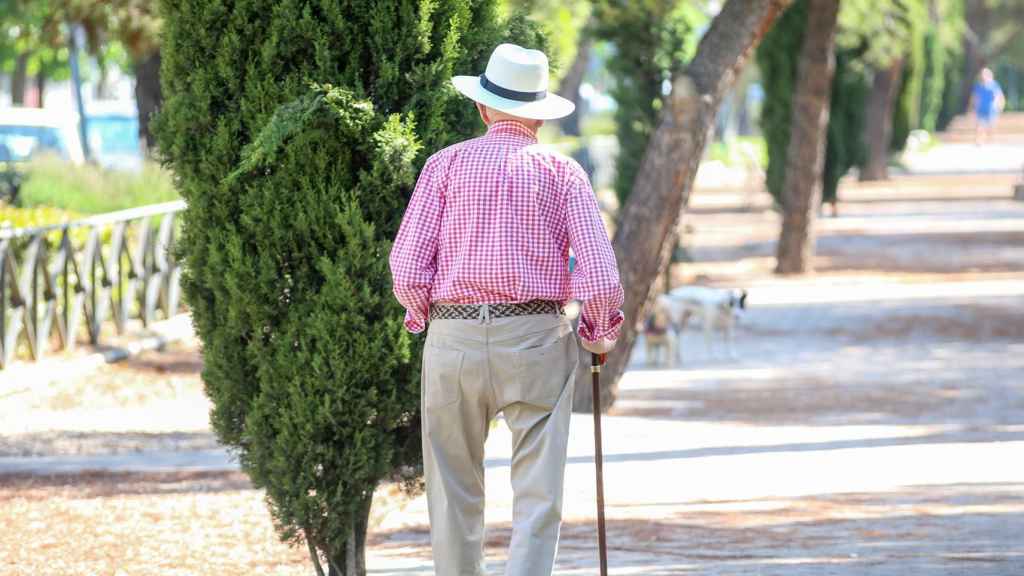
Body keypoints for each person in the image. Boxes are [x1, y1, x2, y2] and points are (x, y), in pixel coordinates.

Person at [389, 43, 624, 576]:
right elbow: (602, 278)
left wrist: (425, 315)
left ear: (483, 107)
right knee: (539, 493)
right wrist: (598, 328)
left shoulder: (444, 165)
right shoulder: (563, 173)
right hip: (538, 337)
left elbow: (405, 267)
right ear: (539, 116)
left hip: (453, 338)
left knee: (452, 488)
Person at [970, 67, 1006, 145]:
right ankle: (978, 140)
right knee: (979, 126)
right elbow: (975, 97)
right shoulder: (978, 86)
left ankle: (991, 140)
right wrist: (973, 107)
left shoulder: (994, 85)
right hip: (980, 108)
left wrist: (1001, 106)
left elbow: (1000, 96)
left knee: (991, 126)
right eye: (983, 74)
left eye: (986, 74)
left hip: (991, 109)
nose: (984, 76)